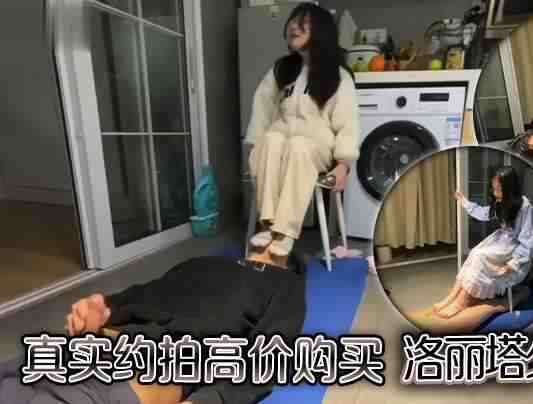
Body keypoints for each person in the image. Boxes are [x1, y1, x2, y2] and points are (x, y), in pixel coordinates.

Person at [0, 251, 307, 404]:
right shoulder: (201, 263)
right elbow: (144, 292)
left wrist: (208, 401)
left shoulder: (286, 284)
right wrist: (102, 309)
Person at [244, 2, 359, 257]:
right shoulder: (281, 70)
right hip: (279, 144)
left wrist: (344, 164)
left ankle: (284, 232)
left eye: (302, 23)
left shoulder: (339, 76)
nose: (293, 27)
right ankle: (268, 223)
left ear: (321, 30)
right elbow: (261, 108)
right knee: (271, 138)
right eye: (293, 22)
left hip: (316, 149)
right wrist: (254, 148)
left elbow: (348, 123)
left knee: (298, 144)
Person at [432, 167, 533, 319]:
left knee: (480, 256)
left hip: (514, 245)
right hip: (501, 240)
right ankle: (451, 297)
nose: (495, 193)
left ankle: (461, 302)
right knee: (475, 252)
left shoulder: (524, 205)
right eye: (493, 188)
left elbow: (528, 239)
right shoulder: (500, 201)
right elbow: (483, 213)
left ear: (509, 188)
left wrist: (513, 264)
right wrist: (464, 202)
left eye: (498, 189)